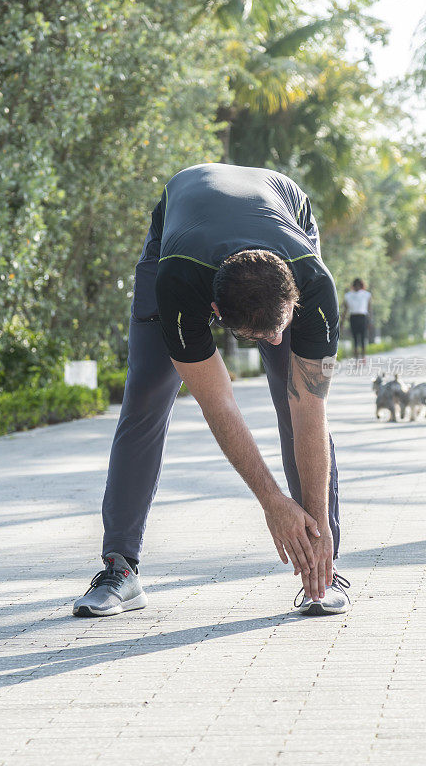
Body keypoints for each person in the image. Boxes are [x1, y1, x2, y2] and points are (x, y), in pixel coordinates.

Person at [73, 163, 350, 619]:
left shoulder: (314, 286)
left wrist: (314, 523)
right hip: (180, 232)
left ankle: (323, 567)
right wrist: (272, 501)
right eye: (258, 337)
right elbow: (217, 402)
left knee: (293, 396)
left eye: (281, 328)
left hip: (284, 212)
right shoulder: (180, 283)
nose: (276, 341)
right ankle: (119, 569)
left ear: (295, 300)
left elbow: (310, 413)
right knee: (146, 394)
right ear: (214, 312)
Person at [341, 278, 372, 361]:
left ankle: (363, 356)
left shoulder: (366, 295)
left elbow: (369, 309)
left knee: (362, 338)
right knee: (355, 338)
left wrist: (370, 320)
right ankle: (357, 357)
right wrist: (342, 322)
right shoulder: (348, 295)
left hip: (362, 317)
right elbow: (345, 309)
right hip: (354, 317)